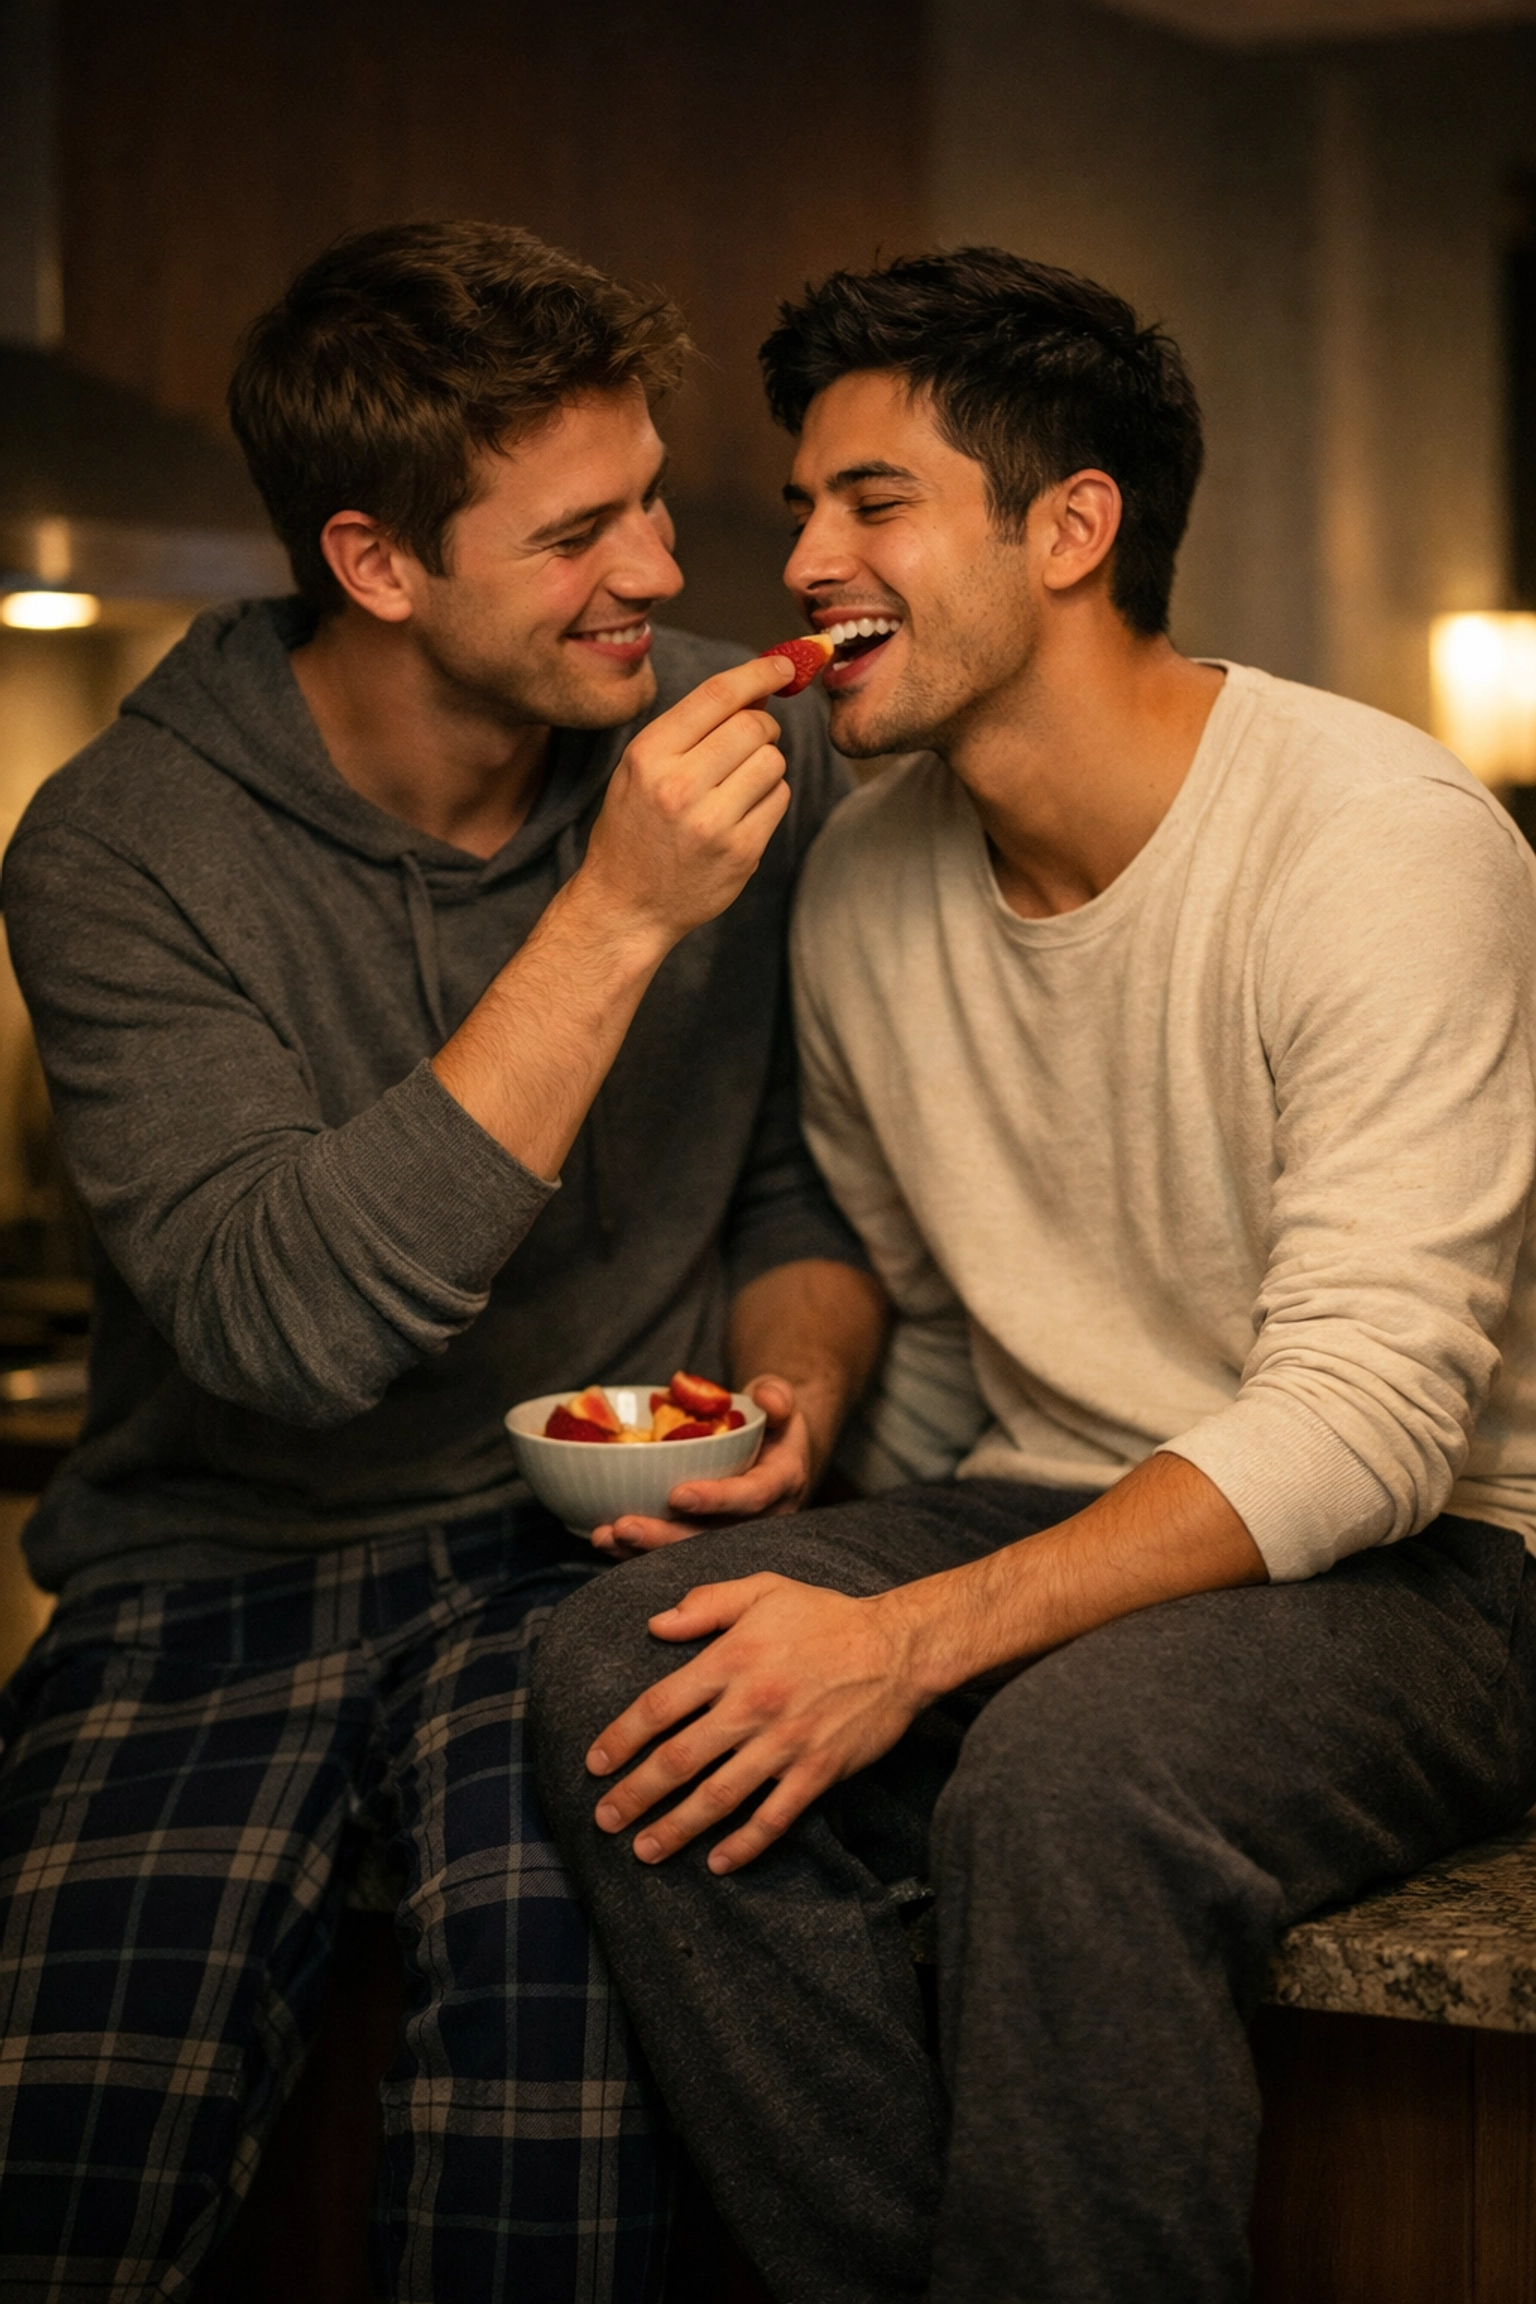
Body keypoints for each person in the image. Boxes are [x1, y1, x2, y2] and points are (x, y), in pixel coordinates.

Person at [531, 247, 1536, 2304]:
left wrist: (908, 1644)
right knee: (628, 1666)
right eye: (804, 501)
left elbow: (1369, 1420)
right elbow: (908, 1305)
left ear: (1072, 527)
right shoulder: (866, 882)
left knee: (1072, 1780)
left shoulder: (1382, 840)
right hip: (1050, 1490)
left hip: (1440, 1562)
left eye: (872, 501)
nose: (800, 556)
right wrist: (798, 1447)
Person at [0, 220, 885, 2301]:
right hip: (213, 1580)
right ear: (378, 564)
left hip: (575, 1567)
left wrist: (804, 1384)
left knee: (549, 2120)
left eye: (654, 498)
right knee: (65, 2144)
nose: (664, 576)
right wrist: (615, 914)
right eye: (579, 535)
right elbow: (282, 1326)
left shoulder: (747, 746)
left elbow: (797, 1190)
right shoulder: (119, 850)